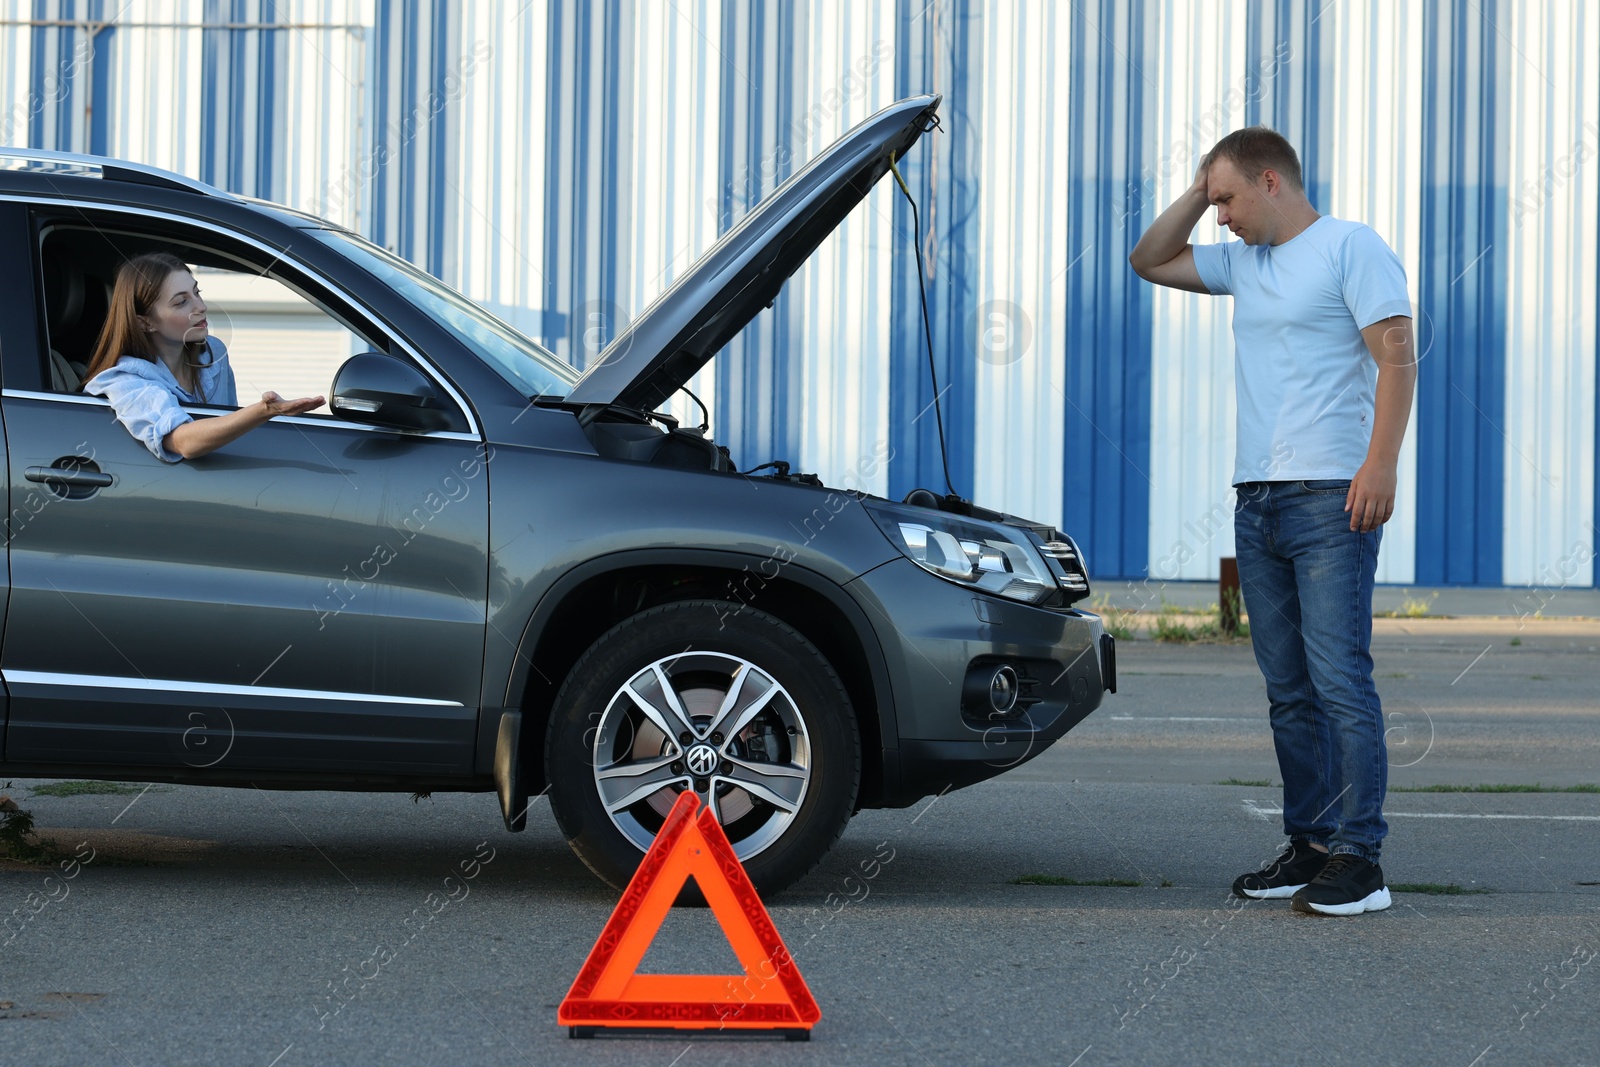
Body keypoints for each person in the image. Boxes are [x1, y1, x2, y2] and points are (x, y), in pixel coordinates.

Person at [1129, 127, 1416, 917]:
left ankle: (1362, 859)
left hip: (1332, 495)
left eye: (1225, 199)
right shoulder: (1242, 264)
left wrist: (1380, 462)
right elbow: (1149, 259)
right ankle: (1311, 845)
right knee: (1288, 690)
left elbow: (1397, 352)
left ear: (1271, 181)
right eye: (1211, 202)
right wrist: (1194, 188)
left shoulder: (1349, 247)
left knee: (1338, 681)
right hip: (1257, 498)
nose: (1218, 217)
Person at [81, 252, 323, 461]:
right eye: (182, 302)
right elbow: (184, 442)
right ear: (145, 323)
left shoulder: (213, 353)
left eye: (197, 292)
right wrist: (264, 411)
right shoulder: (124, 381)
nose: (201, 306)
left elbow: (228, 433)